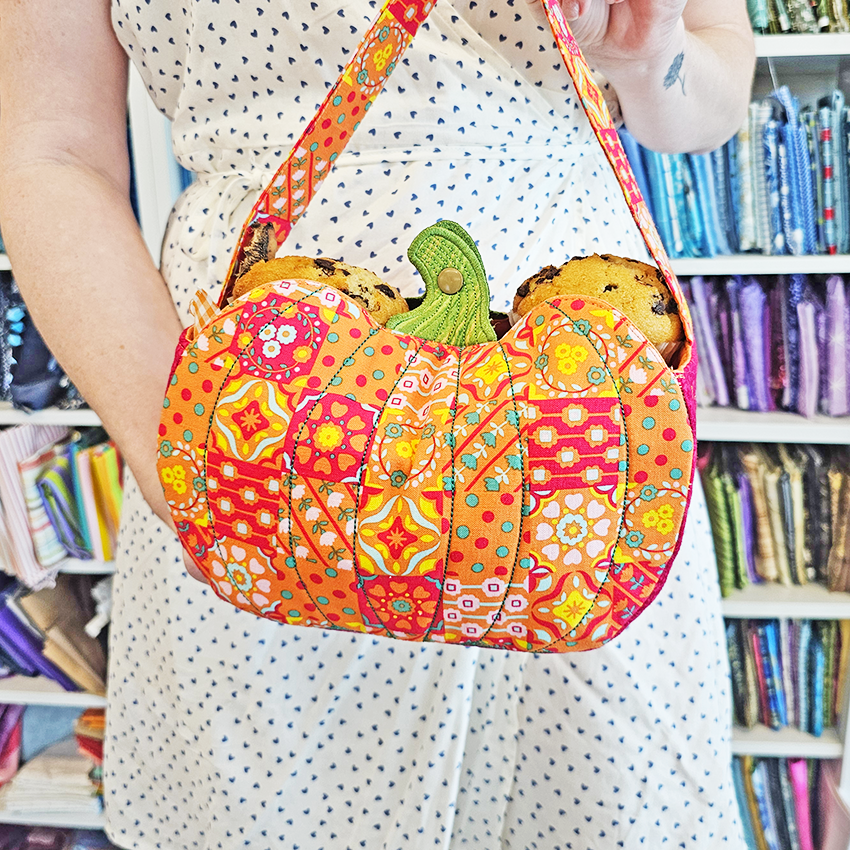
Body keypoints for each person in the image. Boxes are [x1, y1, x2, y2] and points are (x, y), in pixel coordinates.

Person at [0, 1, 754, 847]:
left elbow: (714, 97)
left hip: (573, 460)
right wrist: (170, 454)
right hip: (250, 451)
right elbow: (52, 149)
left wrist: (649, 54)